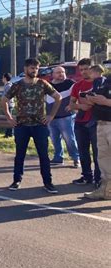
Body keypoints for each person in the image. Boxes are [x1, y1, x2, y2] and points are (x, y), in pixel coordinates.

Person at [1, 58, 62, 194]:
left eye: (36, 68)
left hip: (39, 125)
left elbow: (58, 97)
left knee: (44, 155)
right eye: (32, 68)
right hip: (22, 125)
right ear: (25, 69)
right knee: (20, 155)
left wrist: (51, 116)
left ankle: (48, 182)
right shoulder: (17, 85)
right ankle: (17, 180)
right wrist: (9, 118)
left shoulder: (42, 83)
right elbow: (4, 100)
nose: (34, 71)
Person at [69, 58, 101, 188]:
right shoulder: (77, 85)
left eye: (86, 69)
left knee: (98, 152)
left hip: (96, 122)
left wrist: (90, 103)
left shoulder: (101, 83)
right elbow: (71, 104)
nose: (83, 72)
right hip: (80, 122)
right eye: (81, 70)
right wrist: (81, 106)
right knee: (83, 151)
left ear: (93, 68)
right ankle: (87, 176)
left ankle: (99, 178)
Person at [82, 65, 110, 199]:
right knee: (103, 159)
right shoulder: (105, 81)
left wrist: (106, 101)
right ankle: (105, 190)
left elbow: (106, 100)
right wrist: (92, 99)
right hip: (101, 123)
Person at [45, 66, 80, 167]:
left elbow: (78, 94)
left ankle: (76, 158)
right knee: (54, 138)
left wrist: (73, 105)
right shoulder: (48, 86)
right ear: (53, 74)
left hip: (66, 116)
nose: (61, 74)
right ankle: (58, 157)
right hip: (51, 117)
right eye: (58, 72)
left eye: (63, 72)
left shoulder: (70, 83)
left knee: (69, 138)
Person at [2, 73, 14, 138]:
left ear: (5, 78)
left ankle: (10, 134)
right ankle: (8, 133)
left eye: (3, 77)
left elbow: (9, 96)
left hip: (9, 105)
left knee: (9, 119)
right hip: (6, 104)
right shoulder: (6, 85)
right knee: (7, 119)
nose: (2, 79)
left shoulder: (8, 86)